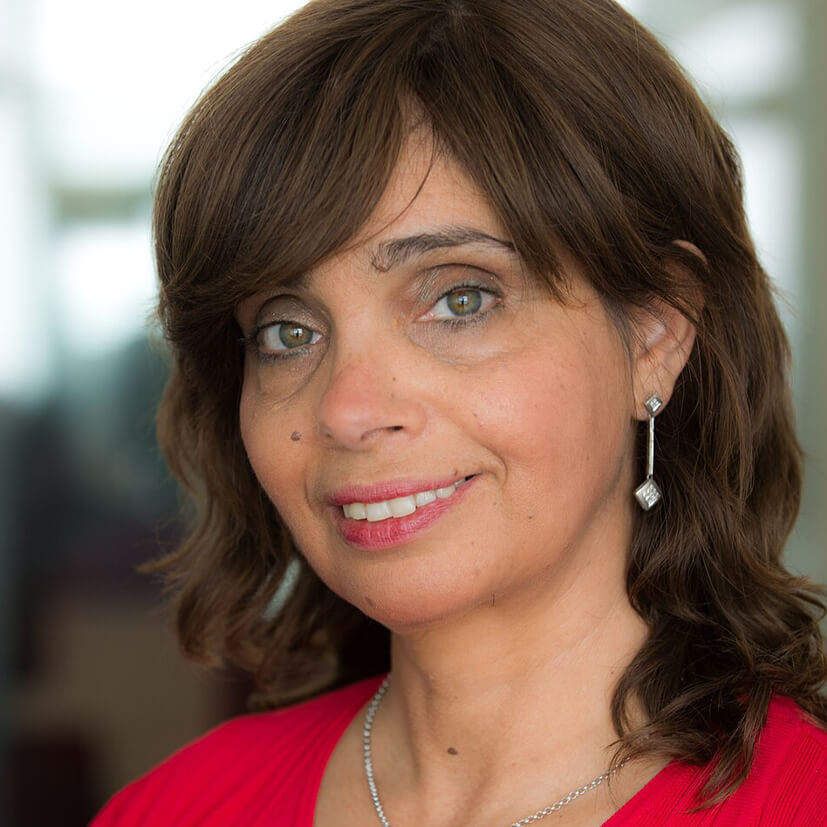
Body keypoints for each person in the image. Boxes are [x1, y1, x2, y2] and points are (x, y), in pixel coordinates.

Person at [92, 0, 827, 824]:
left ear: (655, 332)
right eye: (287, 331)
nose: (348, 409)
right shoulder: (168, 809)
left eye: (460, 298)